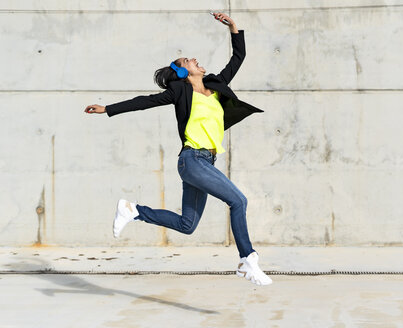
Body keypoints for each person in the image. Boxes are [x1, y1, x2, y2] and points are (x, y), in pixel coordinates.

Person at [84, 13, 272, 286]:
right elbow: (144, 101)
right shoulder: (179, 93)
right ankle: (247, 260)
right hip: (192, 160)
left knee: (187, 225)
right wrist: (108, 109)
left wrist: (233, 28)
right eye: (188, 60)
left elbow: (238, 58)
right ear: (183, 71)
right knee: (239, 201)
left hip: (206, 162)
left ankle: (133, 210)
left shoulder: (215, 86)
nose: (194, 59)